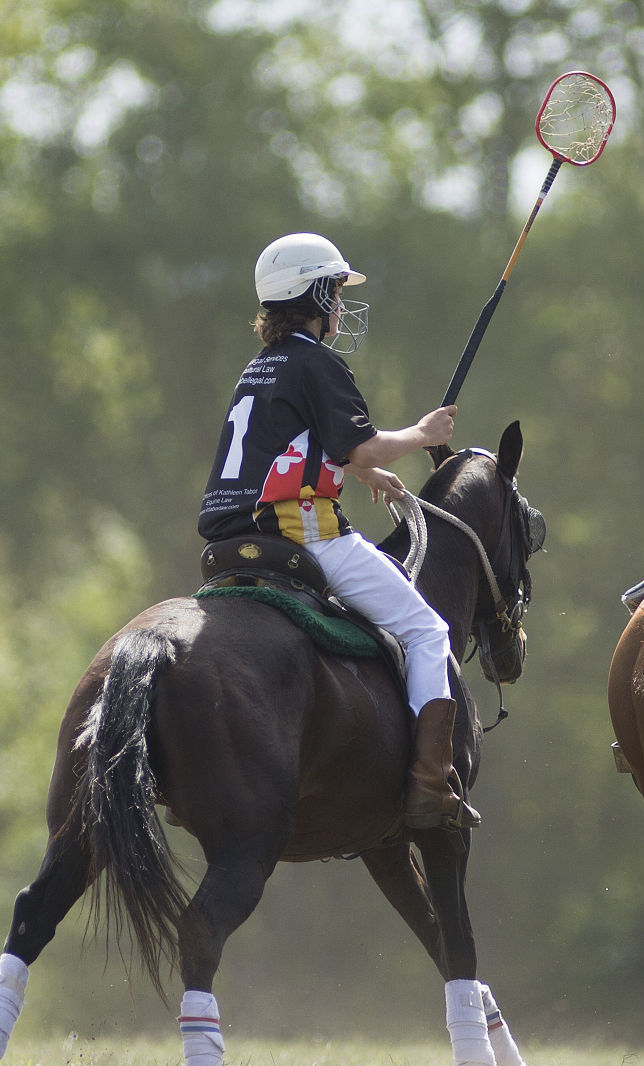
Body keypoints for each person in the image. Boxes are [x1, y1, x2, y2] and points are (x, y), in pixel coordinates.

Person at [199, 232, 468, 829]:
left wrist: (360, 468)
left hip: (227, 540)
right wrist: (423, 435)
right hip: (304, 537)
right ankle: (430, 787)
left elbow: (295, 447)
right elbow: (360, 440)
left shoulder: (260, 367)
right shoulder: (317, 361)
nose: (341, 307)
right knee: (428, 630)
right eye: (336, 293)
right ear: (315, 293)